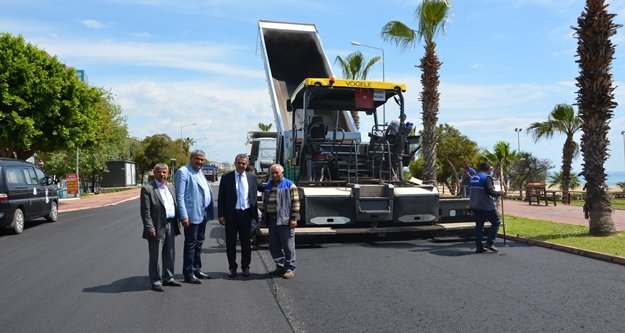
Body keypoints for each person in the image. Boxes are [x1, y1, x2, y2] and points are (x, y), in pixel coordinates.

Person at [140, 163, 182, 292]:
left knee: (170, 253)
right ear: (154, 173)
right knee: (155, 256)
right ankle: (155, 281)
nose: (162, 174)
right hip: (156, 227)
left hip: (171, 224)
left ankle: (168, 278)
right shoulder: (148, 189)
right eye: (159, 172)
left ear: (168, 173)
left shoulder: (171, 187)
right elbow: (145, 212)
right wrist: (150, 228)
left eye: (164, 172)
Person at [175, 150, 214, 284]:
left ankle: (197, 269)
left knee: (199, 243)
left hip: (202, 213)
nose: (200, 162)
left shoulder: (199, 171)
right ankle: (188, 273)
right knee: (191, 244)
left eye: (202, 160)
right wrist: (184, 216)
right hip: (191, 215)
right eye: (197, 159)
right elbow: (179, 196)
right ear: (191, 158)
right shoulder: (183, 172)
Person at [218, 154, 259, 278]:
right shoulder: (226, 177)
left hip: (246, 214)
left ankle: (245, 267)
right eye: (239, 163)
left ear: (247, 165)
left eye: (244, 163)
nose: (241, 165)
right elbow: (221, 197)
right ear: (235, 163)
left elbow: (260, 189)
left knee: (246, 243)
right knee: (230, 243)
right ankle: (232, 268)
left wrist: (279, 183)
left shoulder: (252, 177)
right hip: (231, 215)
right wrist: (221, 215)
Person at [262, 164, 300, 279]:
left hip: (285, 220)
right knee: (274, 246)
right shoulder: (268, 185)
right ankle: (280, 266)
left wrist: (293, 218)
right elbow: (265, 203)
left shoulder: (289, 185)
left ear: (282, 173)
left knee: (288, 246)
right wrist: (264, 218)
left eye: (276, 172)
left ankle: (289, 268)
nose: (274, 175)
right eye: (272, 173)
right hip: (272, 220)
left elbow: (296, 202)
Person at [469, 162, 505, 253]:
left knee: (479, 226)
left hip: (475, 205)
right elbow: (490, 192)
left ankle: (479, 246)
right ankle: (489, 243)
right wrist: (500, 193)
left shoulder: (473, 177)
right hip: (486, 206)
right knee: (496, 222)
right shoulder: (486, 178)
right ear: (488, 169)